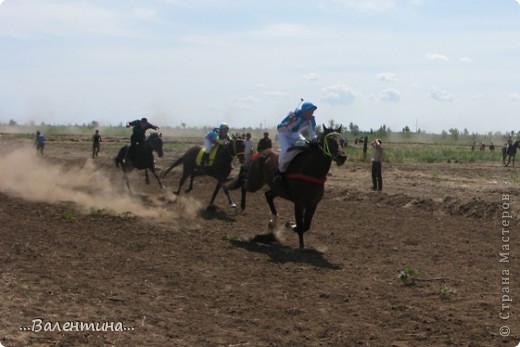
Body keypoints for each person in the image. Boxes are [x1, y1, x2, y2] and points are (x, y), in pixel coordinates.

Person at [273, 101, 318, 184]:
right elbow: (279, 128)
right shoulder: (294, 115)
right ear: (304, 112)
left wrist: (315, 140)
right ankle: (279, 172)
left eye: (312, 112)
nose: (311, 114)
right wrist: (288, 123)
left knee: (307, 146)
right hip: (284, 134)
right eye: (310, 112)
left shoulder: (311, 119)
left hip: (295, 135)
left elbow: (313, 132)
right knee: (286, 149)